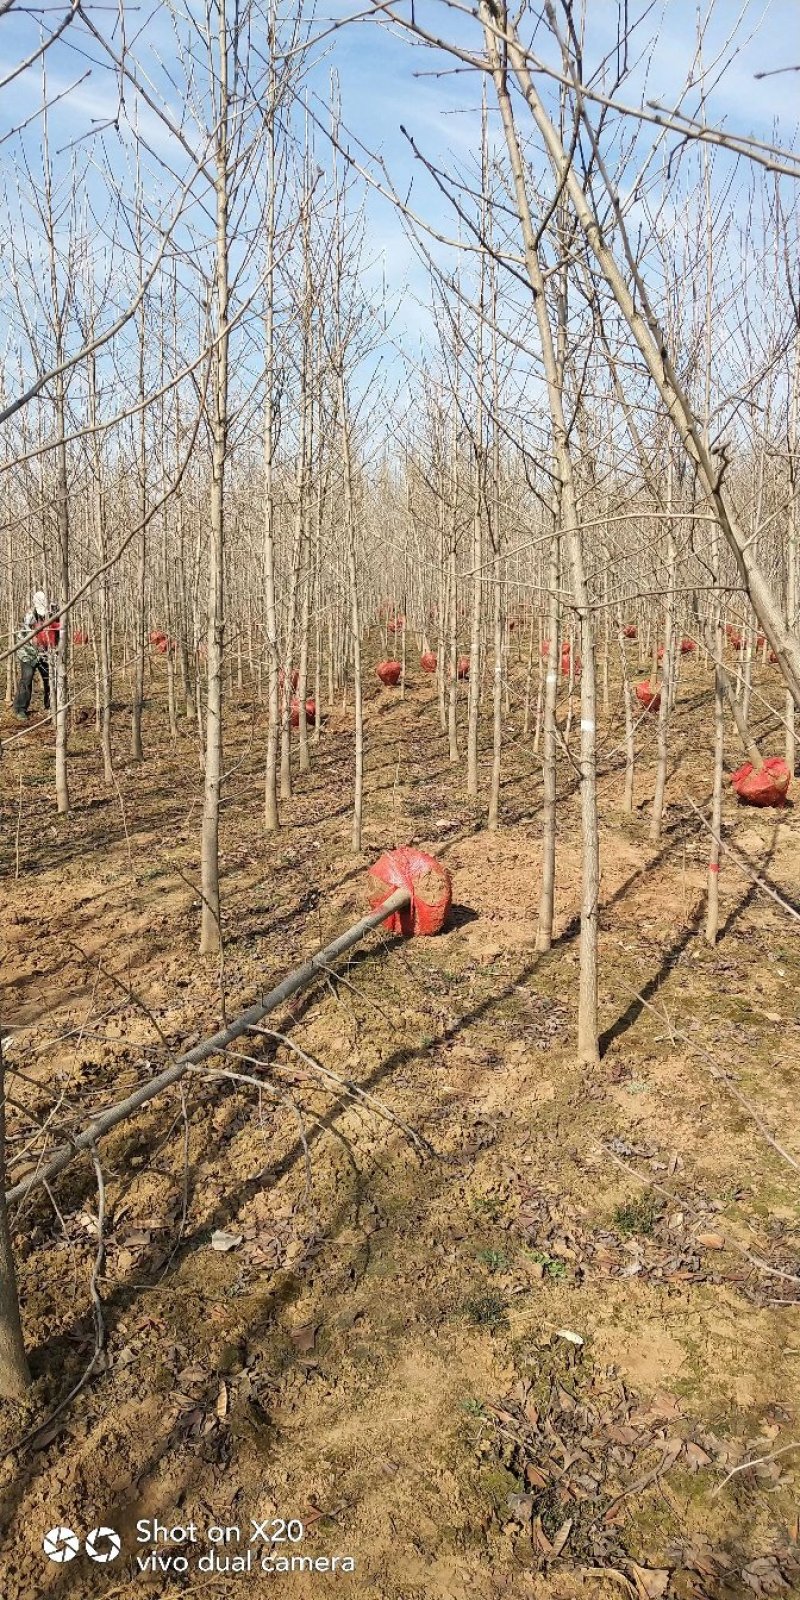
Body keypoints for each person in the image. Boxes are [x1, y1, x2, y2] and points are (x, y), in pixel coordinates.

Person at [13, 591, 59, 722]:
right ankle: (20, 709)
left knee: (51, 679)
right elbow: (26, 639)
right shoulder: (29, 617)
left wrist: (55, 650)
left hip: (47, 652)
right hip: (28, 653)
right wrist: (37, 651)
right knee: (26, 680)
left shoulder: (55, 613)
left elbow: (58, 634)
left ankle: (51, 705)